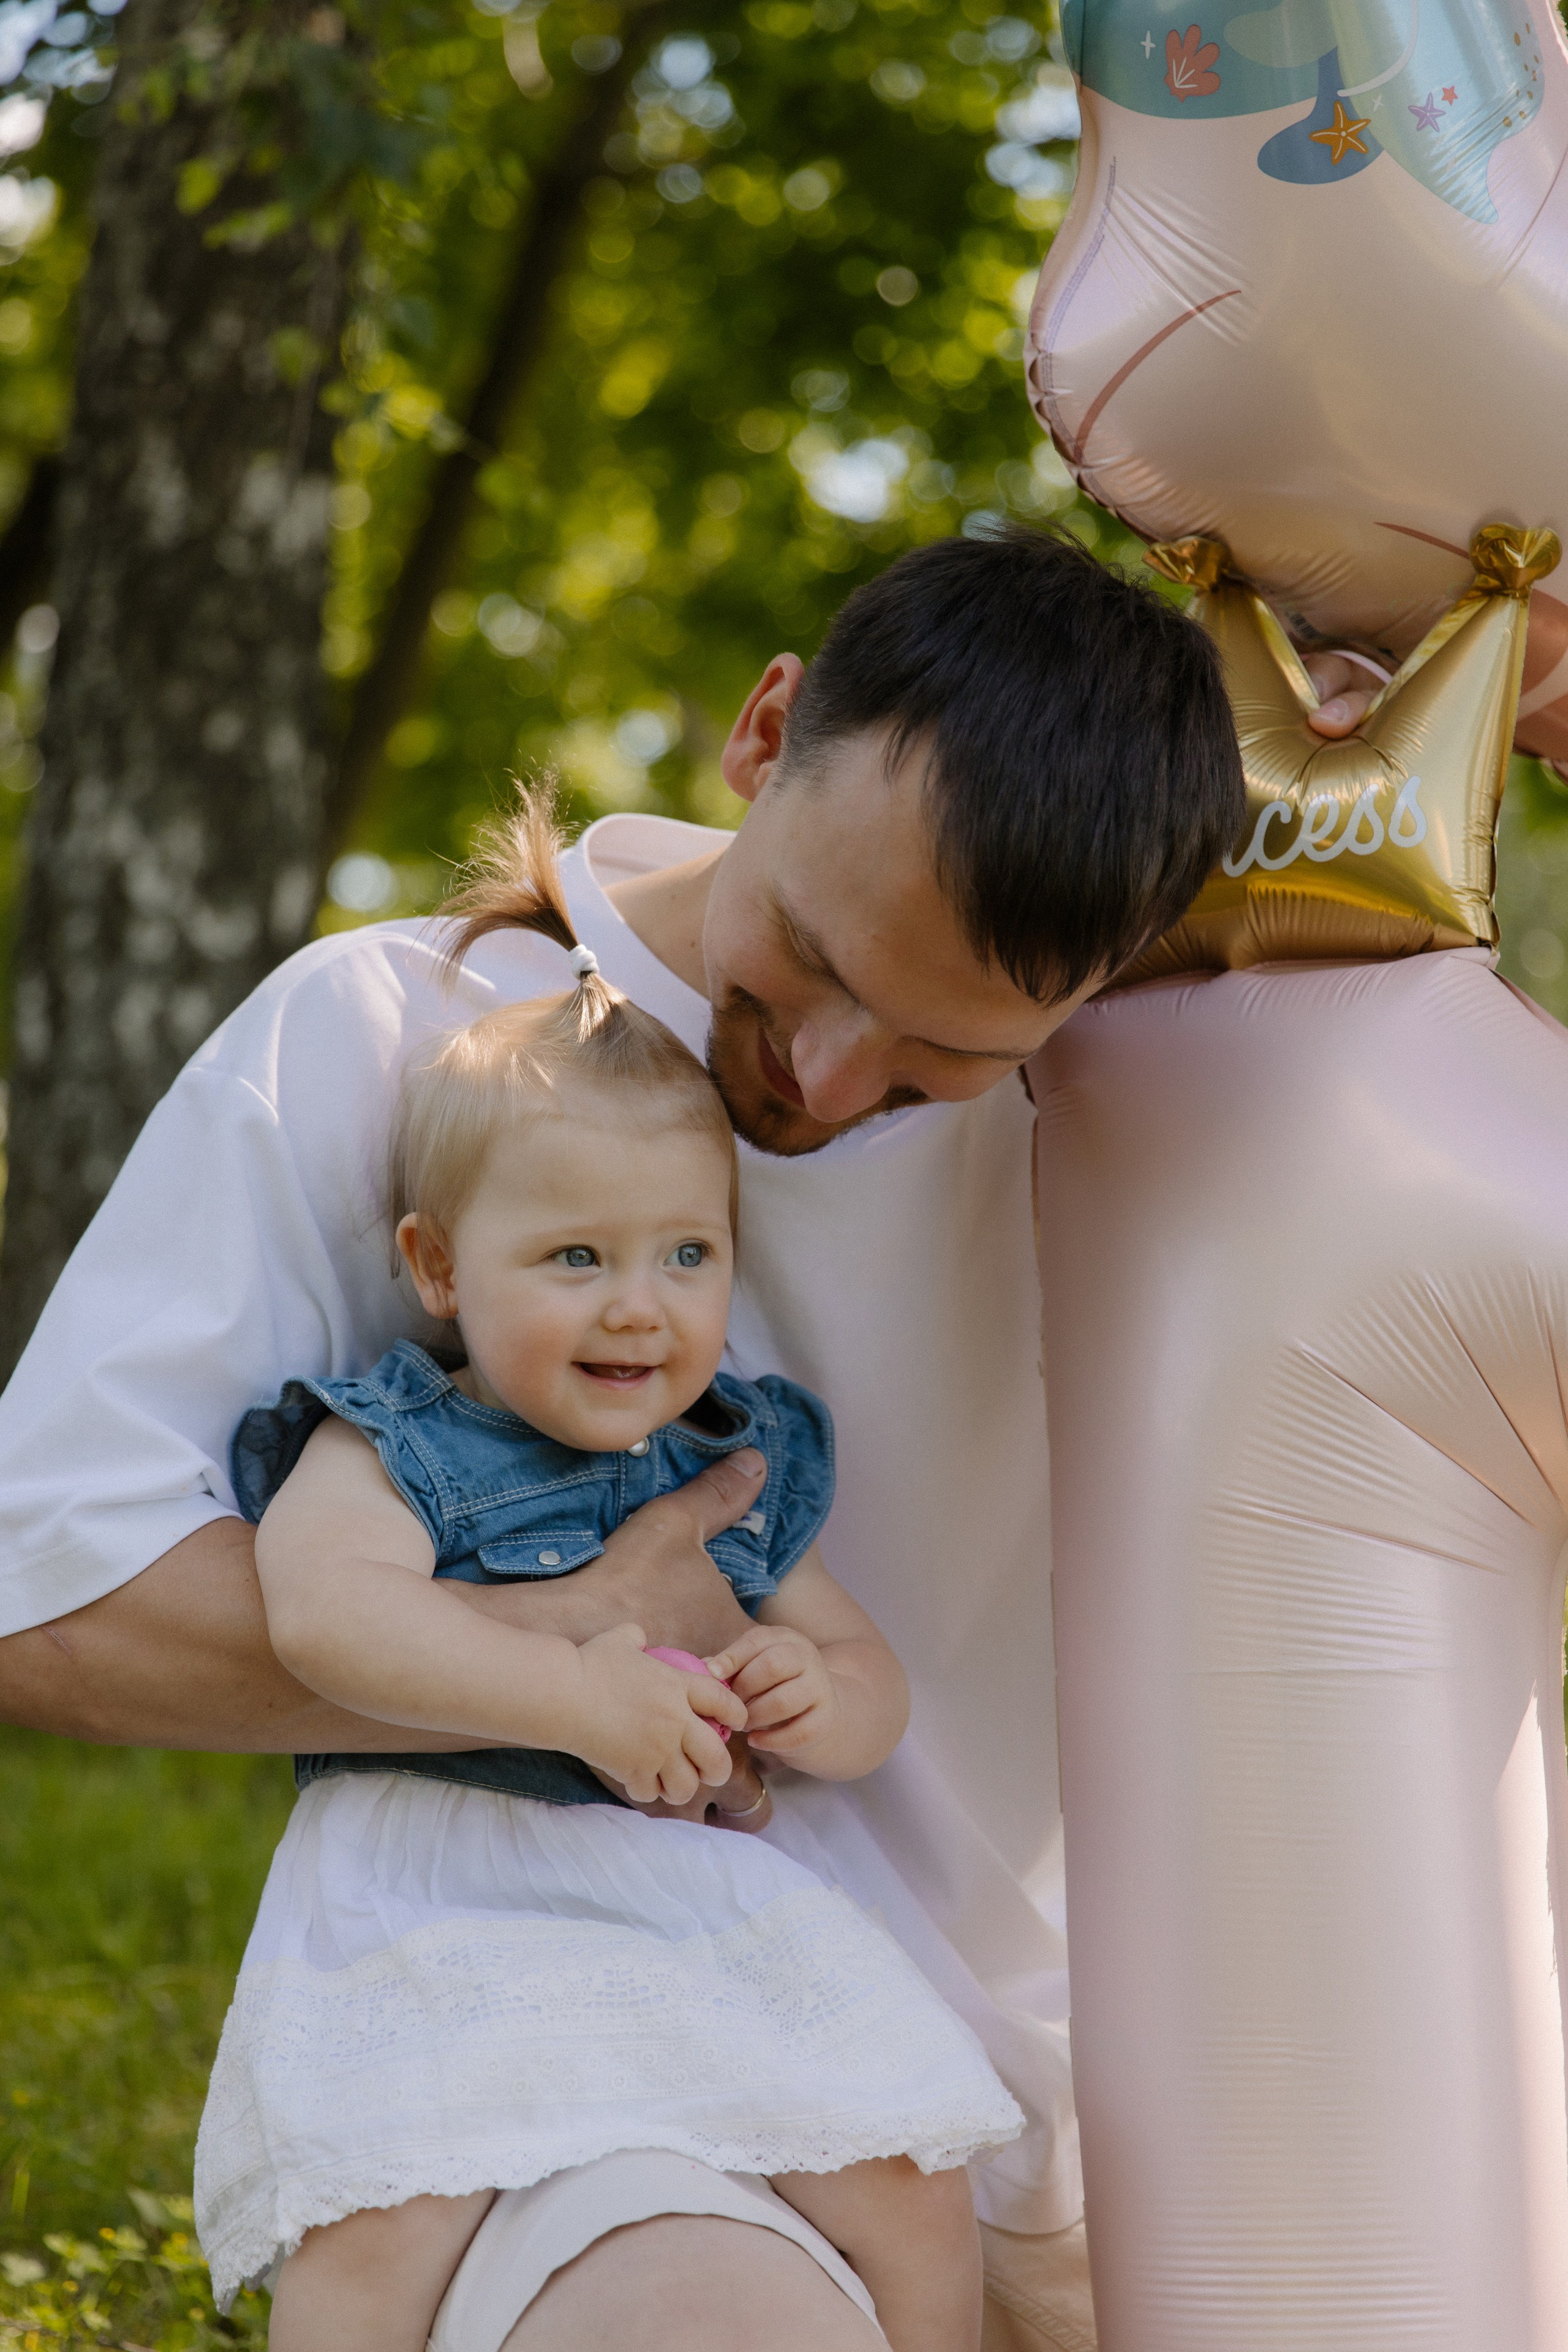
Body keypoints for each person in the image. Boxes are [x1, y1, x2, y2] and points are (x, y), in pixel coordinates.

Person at [0, 526, 1370, 2346]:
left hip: (1035, 2087)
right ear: (764, 728)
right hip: (579, 2038)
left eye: (936, 1050)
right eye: (807, 959)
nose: (821, 1079)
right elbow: (52, 1596)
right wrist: (574, 1639)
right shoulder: (398, 1039)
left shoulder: (1155, 1142)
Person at [195, 818, 1024, 2350]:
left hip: (689, 1902)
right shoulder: (401, 1442)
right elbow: (320, 1612)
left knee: (907, 2172)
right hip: (447, 1893)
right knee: (381, 2224)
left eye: (685, 1258)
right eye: (573, 1258)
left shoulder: (734, 1454)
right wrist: (567, 1687)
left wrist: (814, 1698)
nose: (639, 1309)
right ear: (440, 1270)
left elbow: (861, 1668)